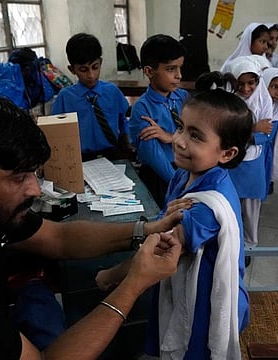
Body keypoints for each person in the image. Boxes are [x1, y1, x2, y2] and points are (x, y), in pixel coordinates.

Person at [0, 95, 185, 360]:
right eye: (19, 178)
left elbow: (57, 237)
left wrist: (146, 229)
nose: (35, 189)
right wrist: (133, 283)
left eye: (34, 173)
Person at [97, 73, 252, 358]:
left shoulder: (209, 206)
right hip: (179, 283)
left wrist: (113, 275)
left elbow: (159, 249)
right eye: (181, 127)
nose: (179, 141)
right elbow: (162, 226)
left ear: (227, 154)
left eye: (195, 136)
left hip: (203, 300)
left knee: (191, 348)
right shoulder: (183, 177)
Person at [51, 33, 135, 162]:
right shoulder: (65, 97)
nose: (91, 75)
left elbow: (122, 119)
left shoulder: (112, 91)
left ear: (100, 62)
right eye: (83, 70)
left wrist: (127, 141)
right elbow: (56, 133)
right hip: (80, 159)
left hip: (112, 154)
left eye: (95, 67)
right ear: (72, 69)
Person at [130, 34, 189, 208]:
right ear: (149, 71)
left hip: (186, 169)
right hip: (161, 176)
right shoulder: (142, 108)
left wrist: (171, 136)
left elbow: (196, 133)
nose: (179, 75)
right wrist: (180, 185)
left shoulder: (183, 97)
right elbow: (154, 156)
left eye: (180, 68)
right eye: (171, 69)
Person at [224, 55, 273, 258]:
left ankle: (250, 246)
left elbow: (266, 135)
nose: (245, 89)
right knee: (230, 204)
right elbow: (225, 133)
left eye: (251, 83)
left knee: (251, 208)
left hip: (253, 162)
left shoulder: (264, 100)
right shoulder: (228, 101)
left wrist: (242, 134)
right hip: (231, 161)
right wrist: (253, 128)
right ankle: (230, 243)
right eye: (240, 83)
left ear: (258, 81)